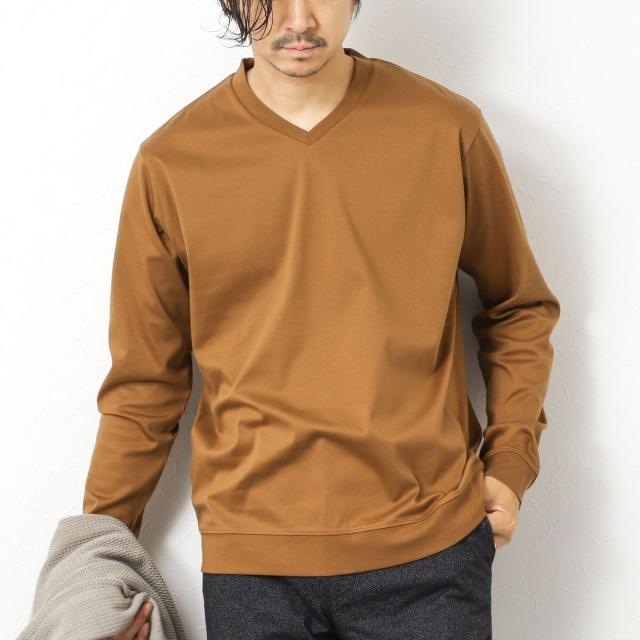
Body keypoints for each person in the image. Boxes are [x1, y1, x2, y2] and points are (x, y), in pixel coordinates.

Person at [85, 1, 561, 638]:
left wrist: (511, 460)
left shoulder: (444, 127)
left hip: (431, 547)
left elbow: (518, 306)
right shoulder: (172, 160)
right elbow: (145, 382)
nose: (299, 19)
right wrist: (96, 574)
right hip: (253, 563)